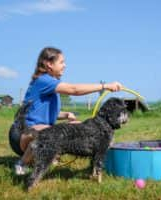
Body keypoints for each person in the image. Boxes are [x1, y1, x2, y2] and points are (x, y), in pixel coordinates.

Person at [11, 47, 123, 175]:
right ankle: (22, 164)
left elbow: (42, 112)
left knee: (80, 127)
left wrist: (65, 115)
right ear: (49, 64)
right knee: (46, 131)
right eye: (61, 62)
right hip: (20, 133)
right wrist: (105, 86)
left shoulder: (52, 83)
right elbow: (74, 89)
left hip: (39, 129)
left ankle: (86, 162)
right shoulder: (43, 80)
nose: (65, 65)